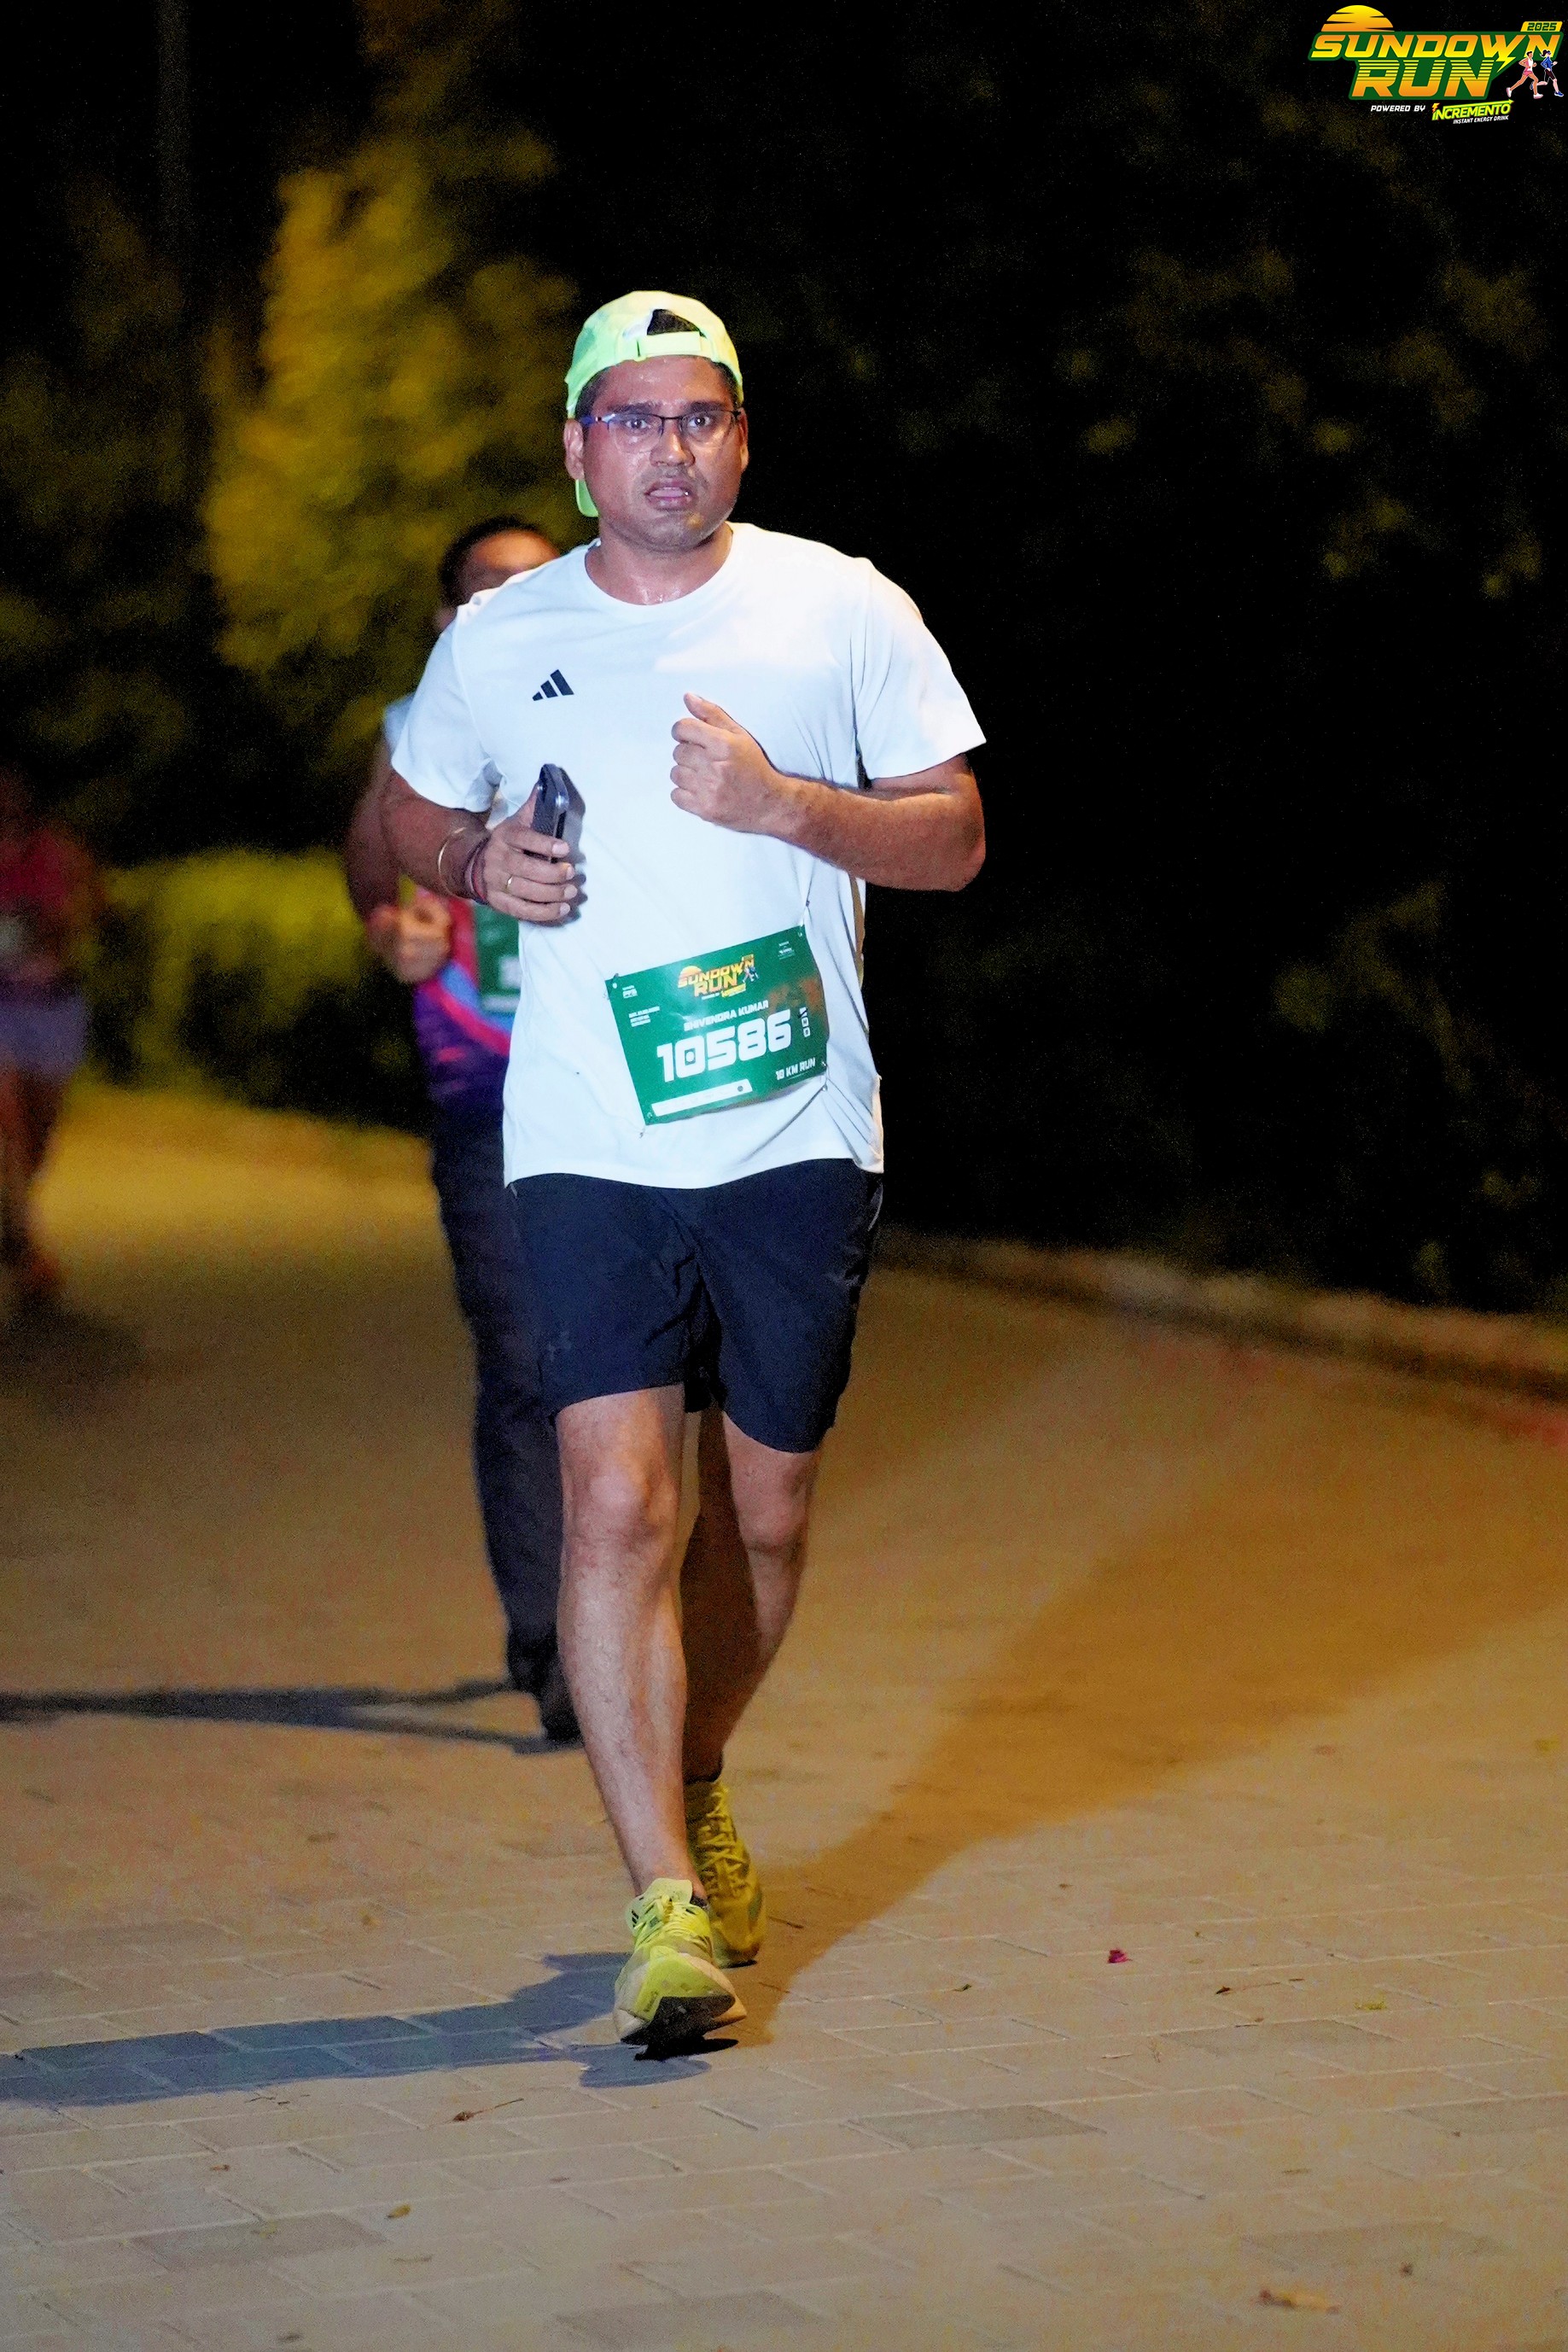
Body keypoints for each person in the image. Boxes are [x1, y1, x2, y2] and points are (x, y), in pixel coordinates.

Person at [385, 292, 984, 2049]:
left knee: (765, 1519)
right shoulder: (502, 634)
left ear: (741, 438)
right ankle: (660, 1899)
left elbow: (953, 835)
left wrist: (788, 804)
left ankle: (695, 1764)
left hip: (797, 1129)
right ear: (579, 450)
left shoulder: (839, 605)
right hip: (588, 1133)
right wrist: (472, 862)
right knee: (618, 1505)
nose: (670, 447)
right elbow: (410, 808)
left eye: (699, 416)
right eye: (634, 419)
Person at [343, 518, 578, 1742]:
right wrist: (390, 924)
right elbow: (368, 855)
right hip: (487, 1088)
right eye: (486, 590)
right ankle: (552, 1641)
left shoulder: (623, 693)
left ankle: (622, 1610)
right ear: (445, 619)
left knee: (649, 1373)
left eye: (538, 582)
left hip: (627, 1088)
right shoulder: (412, 729)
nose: (515, 603)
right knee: (528, 1359)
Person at [0, 762, 98, 1309]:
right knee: (8, 1122)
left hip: (52, 1004)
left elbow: (92, 904)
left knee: (36, 1136)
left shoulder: (59, 852)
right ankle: (24, 1242)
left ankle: (13, 1222)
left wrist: (62, 922)